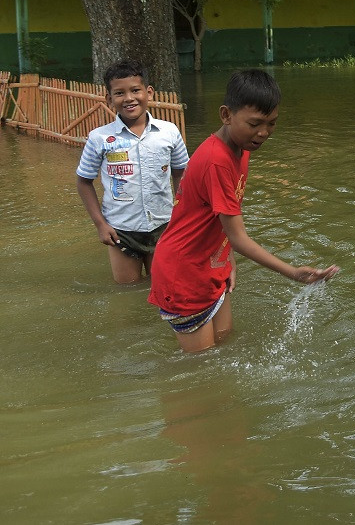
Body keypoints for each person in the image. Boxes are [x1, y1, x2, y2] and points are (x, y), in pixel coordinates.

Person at [148, 69, 338, 353]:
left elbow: (222, 221)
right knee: (202, 366)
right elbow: (238, 237)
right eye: (254, 124)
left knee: (225, 344)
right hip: (183, 274)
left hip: (211, 266)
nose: (263, 133)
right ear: (226, 115)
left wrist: (228, 262)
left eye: (272, 123)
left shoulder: (242, 149)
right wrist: (293, 273)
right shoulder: (216, 160)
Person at [76, 60, 189, 284]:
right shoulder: (99, 138)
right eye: (119, 93)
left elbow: (181, 173)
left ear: (149, 92)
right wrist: (101, 224)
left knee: (163, 287)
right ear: (109, 99)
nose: (129, 98)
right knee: (127, 289)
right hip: (120, 230)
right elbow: (83, 181)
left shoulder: (168, 132)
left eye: (135, 90)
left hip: (164, 224)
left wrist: (183, 214)